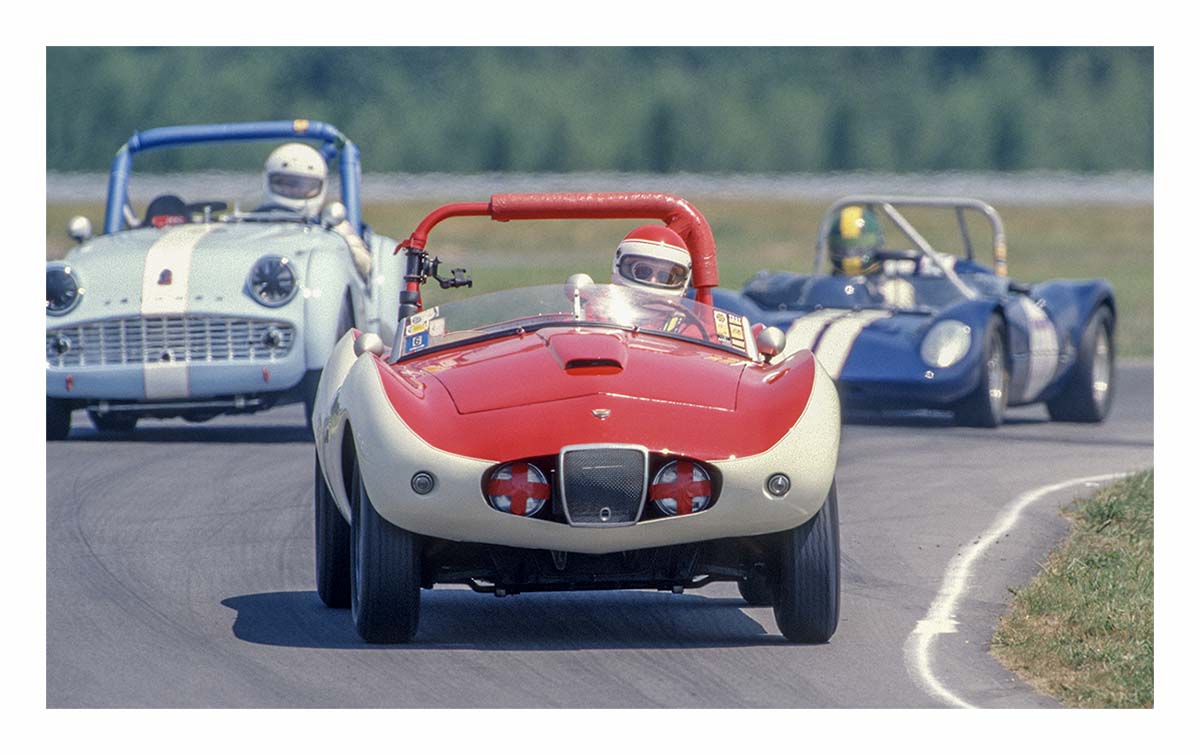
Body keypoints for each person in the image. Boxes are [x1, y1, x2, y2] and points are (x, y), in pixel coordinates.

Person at [260, 143, 372, 279]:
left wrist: (342, 240)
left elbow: (365, 266)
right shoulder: (248, 222)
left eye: (304, 185)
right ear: (268, 181)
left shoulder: (334, 228)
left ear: (321, 186)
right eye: (285, 183)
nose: (294, 190)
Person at [611, 225, 693, 296]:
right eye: (642, 272)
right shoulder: (602, 309)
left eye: (665, 277)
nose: (653, 281)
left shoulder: (692, 312)